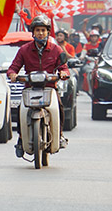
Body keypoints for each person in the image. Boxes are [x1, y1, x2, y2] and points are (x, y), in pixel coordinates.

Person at [7, 16, 70, 157]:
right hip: (30, 88)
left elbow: (64, 68)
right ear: (33, 33)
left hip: (50, 88)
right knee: (20, 110)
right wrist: (12, 74)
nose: (40, 33)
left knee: (59, 107)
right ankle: (21, 138)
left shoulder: (56, 50)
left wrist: (63, 73)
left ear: (48, 32)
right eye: (37, 30)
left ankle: (59, 136)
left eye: (43, 30)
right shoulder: (24, 50)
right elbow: (13, 68)